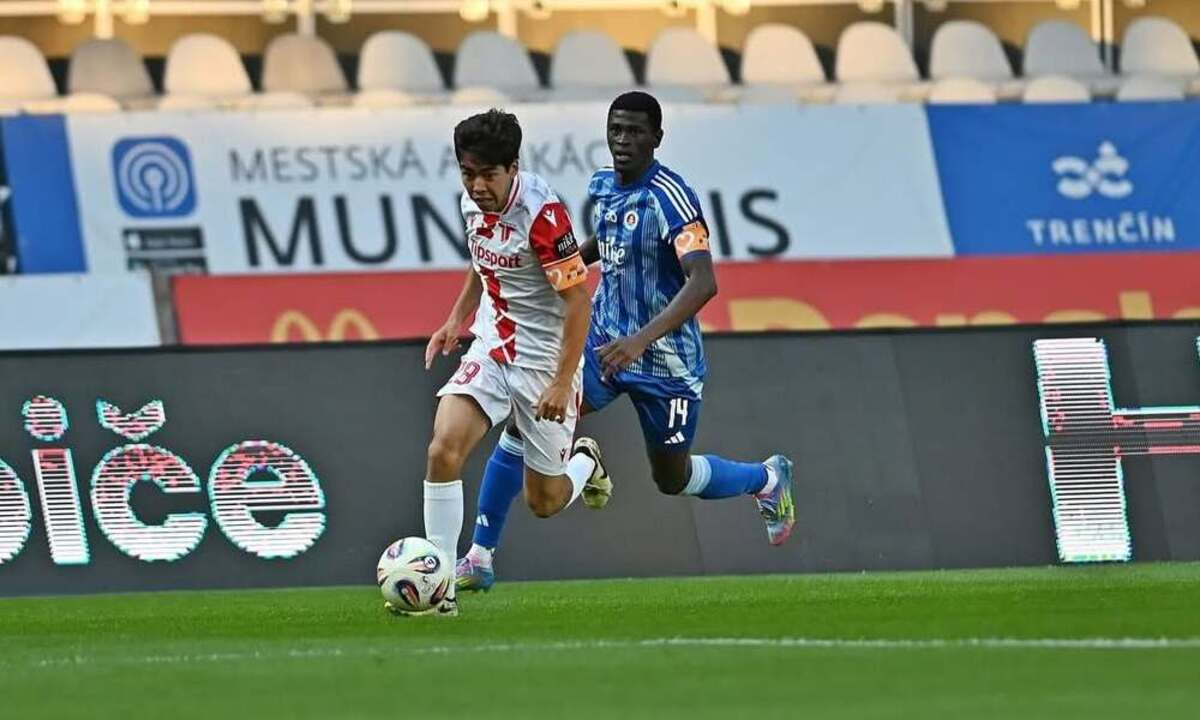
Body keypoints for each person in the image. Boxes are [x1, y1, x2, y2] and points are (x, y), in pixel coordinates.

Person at [456, 92, 795, 593]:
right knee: (527, 419)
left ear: (657, 138)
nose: (623, 140)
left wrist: (639, 341)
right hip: (603, 347)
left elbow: (703, 282)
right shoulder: (603, 185)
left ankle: (765, 479)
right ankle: (479, 556)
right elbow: (606, 241)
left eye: (635, 131)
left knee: (672, 479)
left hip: (666, 365)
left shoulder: (671, 197)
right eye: (616, 129)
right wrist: (560, 264)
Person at [404, 109, 608, 616]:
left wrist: (562, 382)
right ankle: (441, 587)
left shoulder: (542, 216)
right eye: (467, 174)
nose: (476, 186)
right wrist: (456, 319)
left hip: (543, 361)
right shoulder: (472, 204)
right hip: (493, 346)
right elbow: (482, 261)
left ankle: (585, 461)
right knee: (442, 449)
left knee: (545, 501)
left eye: (488, 175)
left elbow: (578, 302)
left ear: (513, 167)